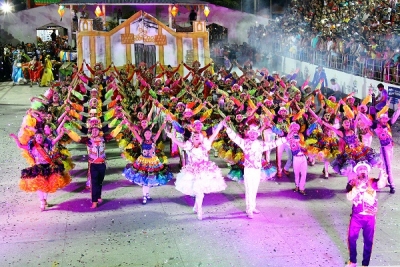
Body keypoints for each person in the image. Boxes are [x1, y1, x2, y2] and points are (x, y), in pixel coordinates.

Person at [223, 119, 287, 218]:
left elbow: (273, 144)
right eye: (251, 133)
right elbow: (235, 138)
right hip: (248, 170)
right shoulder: (244, 143)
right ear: (249, 134)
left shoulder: (261, 144)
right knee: (249, 189)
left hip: (257, 170)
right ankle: (249, 209)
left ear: (257, 134)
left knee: (255, 189)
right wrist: (227, 128)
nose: (253, 135)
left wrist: (285, 139)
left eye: (255, 133)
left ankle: (253, 207)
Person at [165, 121, 226, 220]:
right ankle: (200, 210)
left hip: (205, 171)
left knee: (200, 191)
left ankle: (197, 207)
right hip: (193, 171)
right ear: (192, 138)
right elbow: (178, 143)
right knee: (198, 191)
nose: (196, 137)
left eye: (198, 136)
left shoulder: (205, 145)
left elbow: (214, 135)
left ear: (201, 138)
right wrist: (172, 137)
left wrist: (219, 126)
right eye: (194, 136)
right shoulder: (189, 145)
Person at [10, 130, 71, 211]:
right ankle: (42, 201)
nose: (39, 138)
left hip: (48, 167)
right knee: (39, 185)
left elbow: (56, 139)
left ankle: (44, 200)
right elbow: (20, 146)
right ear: (35, 138)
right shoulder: (32, 146)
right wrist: (15, 138)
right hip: (38, 168)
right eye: (37, 137)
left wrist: (61, 133)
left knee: (47, 185)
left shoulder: (48, 144)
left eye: (41, 137)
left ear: (43, 138)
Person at [345, 162, 387, 267]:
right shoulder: (352, 182)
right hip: (356, 217)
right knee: (351, 238)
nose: (362, 170)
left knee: (368, 241)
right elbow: (349, 197)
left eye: (364, 168)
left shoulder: (372, 180)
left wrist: (381, 170)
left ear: (367, 171)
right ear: (357, 171)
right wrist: (357, 188)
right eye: (360, 169)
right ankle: (353, 261)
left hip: (370, 218)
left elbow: (382, 183)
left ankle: (365, 264)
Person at [122, 120, 173, 204]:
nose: (148, 135)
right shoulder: (141, 141)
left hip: (153, 162)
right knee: (145, 180)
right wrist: (128, 124)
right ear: (144, 134)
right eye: (146, 133)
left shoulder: (154, 140)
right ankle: (144, 197)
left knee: (149, 179)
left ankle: (147, 194)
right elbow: (134, 132)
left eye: (149, 133)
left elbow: (160, 130)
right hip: (143, 162)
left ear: (151, 134)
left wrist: (164, 122)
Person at [70, 125, 114, 208]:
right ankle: (94, 201)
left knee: (100, 182)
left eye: (96, 130)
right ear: (91, 131)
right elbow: (77, 138)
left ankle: (98, 196)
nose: (94, 132)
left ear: (99, 131)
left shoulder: (103, 139)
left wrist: (121, 125)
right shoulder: (88, 140)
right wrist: (68, 131)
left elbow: (112, 134)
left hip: (102, 164)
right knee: (94, 183)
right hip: (93, 165)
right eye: (93, 130)